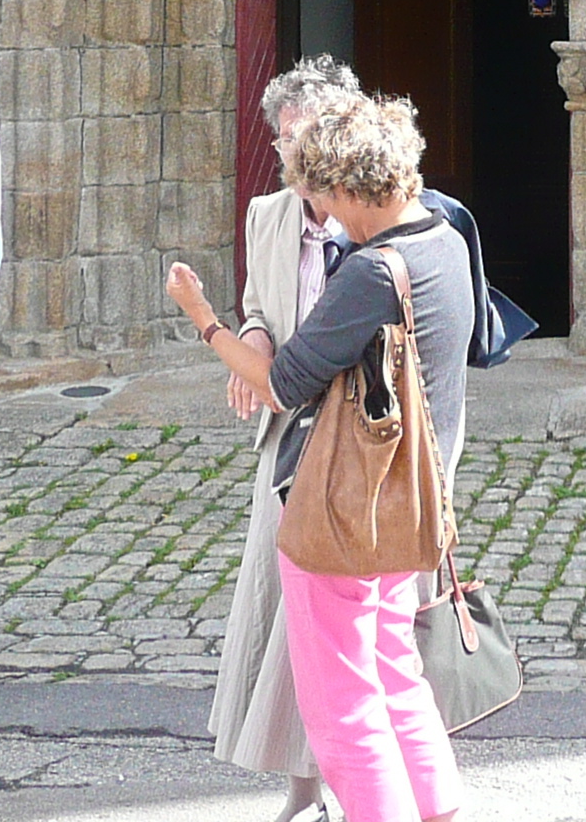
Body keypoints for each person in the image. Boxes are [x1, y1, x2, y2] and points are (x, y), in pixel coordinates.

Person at [167, 92, 473, 822]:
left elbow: (277, 383)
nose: (322, 212)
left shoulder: (371, 274)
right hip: (413, 495)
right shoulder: (448, 240)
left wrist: (201, 315)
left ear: (343, 186)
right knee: (395, 668)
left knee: (343, 703)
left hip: (345, 506)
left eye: (320, 192)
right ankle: (440, 809)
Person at [208, 54, 363, 822]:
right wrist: (254, 339)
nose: (295, 159)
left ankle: (353, 778)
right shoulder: (267, 215)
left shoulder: (375, 220)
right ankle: (304, 783)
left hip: (359, 444)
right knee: (279, 610)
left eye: (310, 140)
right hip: (286, 438)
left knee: (342, 617)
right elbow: (258, 304)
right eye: (284, 142)